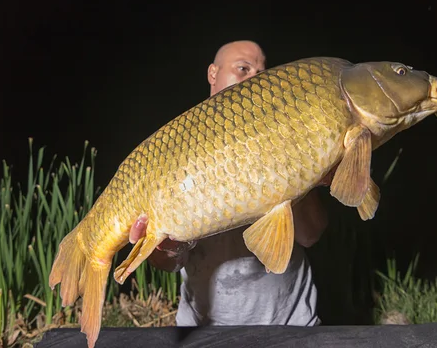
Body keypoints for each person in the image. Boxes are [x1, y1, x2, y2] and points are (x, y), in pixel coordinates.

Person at [128, 40, 329, 326]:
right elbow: (169, 264)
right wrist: (165, 248)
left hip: (291, 321)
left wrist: (294, 167)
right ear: (213, 74)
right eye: (243, 69)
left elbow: (311, 234)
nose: (255, 79)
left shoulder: (284, 131)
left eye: (261, 72)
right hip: (206, 328)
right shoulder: (175, 147)